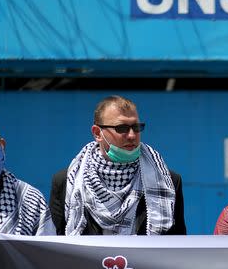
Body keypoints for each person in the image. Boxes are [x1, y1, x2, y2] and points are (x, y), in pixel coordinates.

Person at [49, 95, 186, 235]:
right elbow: (56, 248)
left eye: (136, 127)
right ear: (97, 133)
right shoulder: (65, 182)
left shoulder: (167, 181)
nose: (132, 135)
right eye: (122, 128)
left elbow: (177, 247)